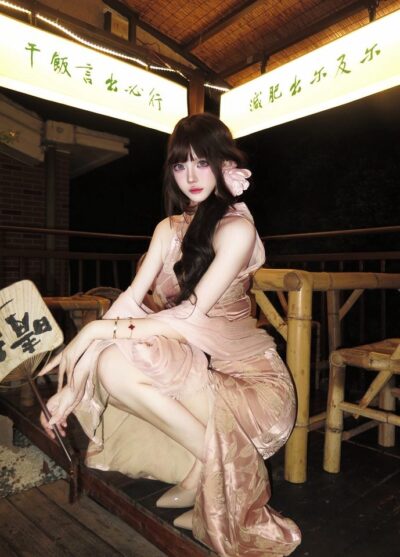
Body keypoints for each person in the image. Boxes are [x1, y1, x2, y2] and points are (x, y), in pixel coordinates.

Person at [39, 113, 301, 557]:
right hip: (203, 378)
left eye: (202, 162)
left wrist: (95, 332)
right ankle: (212, 468)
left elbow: (190, 315)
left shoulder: (237, 228)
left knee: (118, 355)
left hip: (255, 392)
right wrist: (71, 386)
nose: (191, 176)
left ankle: (232, 472)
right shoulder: (168, 229)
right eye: (181, 165)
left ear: (224, 163)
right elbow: (128, 301)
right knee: (110, 363)